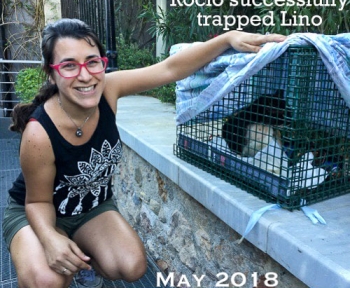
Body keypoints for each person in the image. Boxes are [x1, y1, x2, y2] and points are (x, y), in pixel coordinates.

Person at [2, 18, 286, 288]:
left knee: (132, 265)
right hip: (38, 212)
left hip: (90, 209)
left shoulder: (108, 91)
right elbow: (37, 201)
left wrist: (227, 39)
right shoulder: (39, 133)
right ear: (52, 74)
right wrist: (50, 238)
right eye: (69, 66)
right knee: (47, 281)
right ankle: (51, 253)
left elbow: (169, 69)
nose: (85, 75)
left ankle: (82, 262)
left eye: (92, 62)